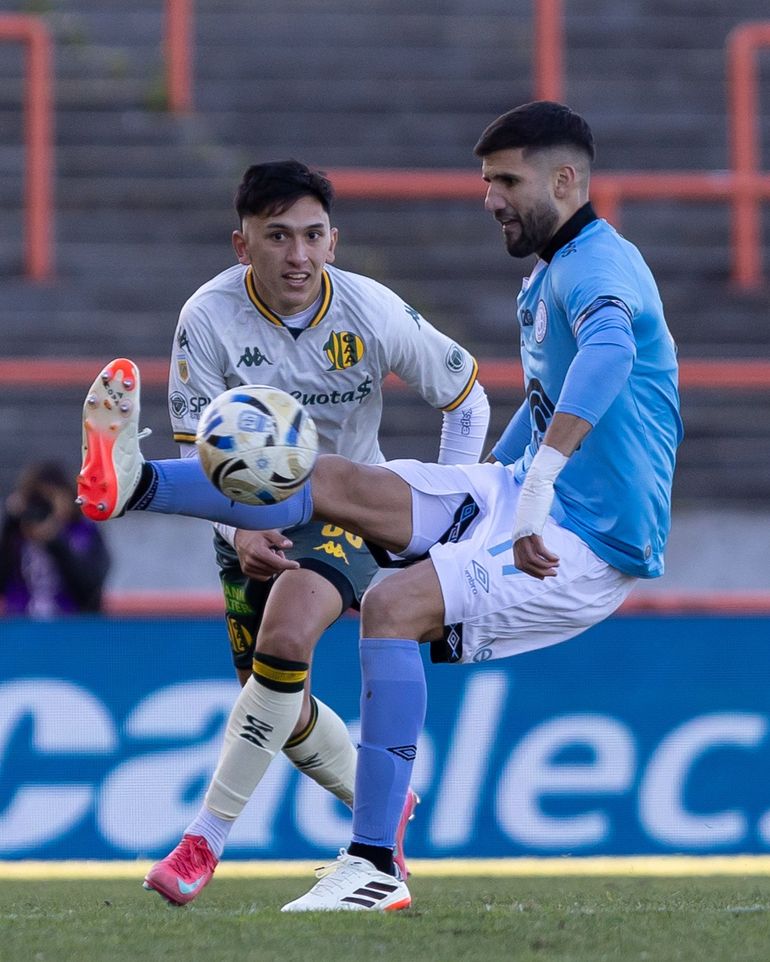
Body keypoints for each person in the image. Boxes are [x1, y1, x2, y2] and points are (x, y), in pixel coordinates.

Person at [78, 101, 683, 911]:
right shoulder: (551, 272)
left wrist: (535, 484)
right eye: (487, 182)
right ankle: (135, 485)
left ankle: (371, 863)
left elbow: (609, 354)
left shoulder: (598, 268)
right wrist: (487, 488)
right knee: (329, 484)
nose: (490, 199)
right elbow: (544, 404)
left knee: (389, 608)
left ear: (565, 180)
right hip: (516, 497)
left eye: (506, 182)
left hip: (589, 539)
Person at [81, 160, 490, 904]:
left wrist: (445, 517)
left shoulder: (372, 310)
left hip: (347, 509)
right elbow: (197, 451)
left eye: (311, 235)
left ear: (334, 241)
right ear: (242, 245)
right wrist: (236, 530)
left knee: (287, 636)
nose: (298, 255)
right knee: (275, 701)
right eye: (277, 237)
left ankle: (203, 841)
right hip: (243, 516)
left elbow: (466, 399)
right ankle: (383, 803)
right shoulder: (207, 316)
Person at [1, 460, 110, 617]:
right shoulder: (16, 535)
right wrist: (9, 524)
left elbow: (90, 590)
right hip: (22, 623)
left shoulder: (85, 532)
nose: (45, 506)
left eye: (51, 497)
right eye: (38, 499)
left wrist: (55, 542)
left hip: (71, 624)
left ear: (68, 496)